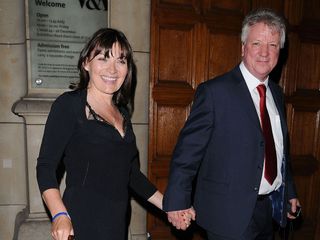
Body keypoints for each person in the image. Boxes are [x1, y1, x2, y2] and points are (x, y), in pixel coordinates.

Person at [36, 28, 192, 240]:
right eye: (103, 58)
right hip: (82, 221)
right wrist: (59, 214)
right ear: (86, 63)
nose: (113, 69)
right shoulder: (69, 105)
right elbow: (45, 166)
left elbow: (131, 175)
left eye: (121, 60)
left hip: (116, 223)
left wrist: (171, 206)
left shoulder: (123, 114)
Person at [163, 8, 301, 240]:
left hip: (268, 211)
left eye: (273, 45)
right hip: (227, 214)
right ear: (243, 47)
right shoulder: (215, 92)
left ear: (281, 51)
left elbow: (278, 149)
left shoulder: (276, 93)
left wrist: (289, 191)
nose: (265, 53)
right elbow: (187, 153)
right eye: (257, 43)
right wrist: (177, 201)